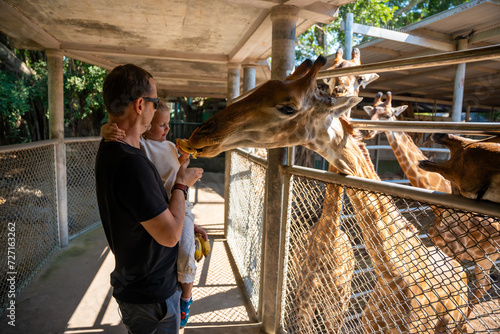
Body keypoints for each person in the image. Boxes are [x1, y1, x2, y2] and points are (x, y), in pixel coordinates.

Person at [95, 63, 203, 334]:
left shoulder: (112, 147)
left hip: (141, 286)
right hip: (152, 297)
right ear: (141, 105)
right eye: (154, 103)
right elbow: (169, 235)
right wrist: (182, 183)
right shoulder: (132, 164)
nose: (156, 109)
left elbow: (149, 209)